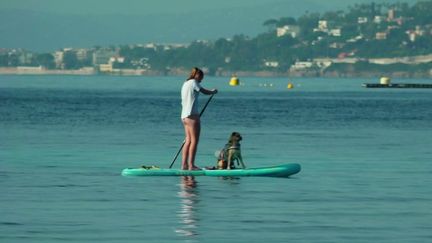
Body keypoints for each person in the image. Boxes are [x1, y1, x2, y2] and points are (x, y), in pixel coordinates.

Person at [181, 67, 218, 170]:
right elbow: (204, 91)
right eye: (201, 76)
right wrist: (213, 91)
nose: (202, 79)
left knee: (188, 140)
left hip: (184, 116)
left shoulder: (185, 83)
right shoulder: (194, 82)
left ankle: (184, 165)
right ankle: (191, 165)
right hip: (192, 116)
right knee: (194, 141)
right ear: (197, 75)